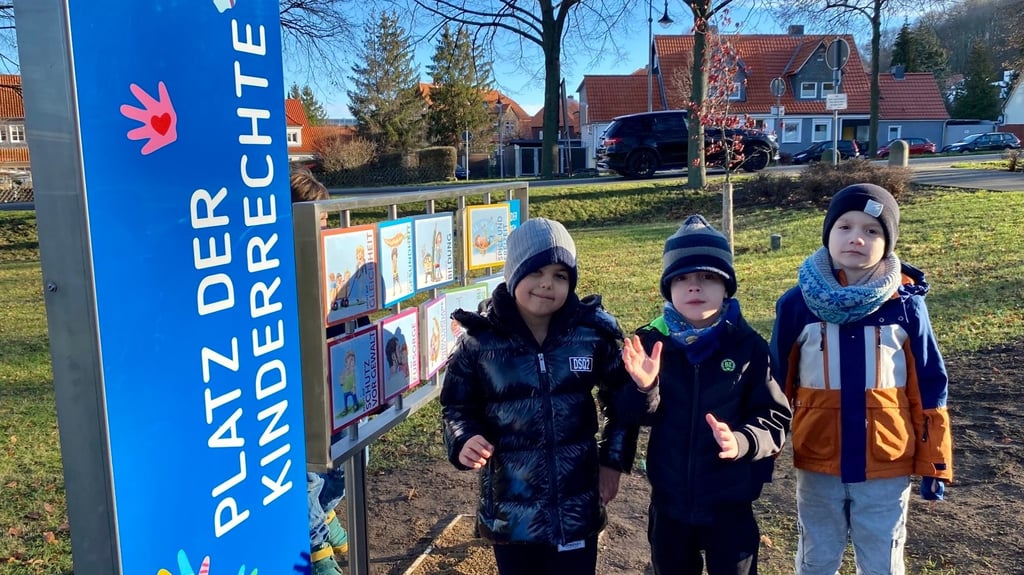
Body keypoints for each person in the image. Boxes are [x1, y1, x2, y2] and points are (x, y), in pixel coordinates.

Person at [770, 184, 953, 575]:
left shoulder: (906, 307)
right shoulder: (796, 305)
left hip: (888, 460)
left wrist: (935, 459)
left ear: (887, 243)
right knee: (816, 557)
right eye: (845, 226)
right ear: (828, 233)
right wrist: (764, 452)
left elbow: (930, 384)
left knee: (882, 560)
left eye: (872, 230)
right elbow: (777, 385)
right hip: (818, 459)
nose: (856, 237)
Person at [440, 217, 636, 575]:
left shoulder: (591, 335)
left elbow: (622, 400)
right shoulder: (479, 343)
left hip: (576, 509)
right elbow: (456, 406)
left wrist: (612, 461)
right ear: (514, 274)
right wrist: (463, 438)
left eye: (560, 275)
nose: (547, 284)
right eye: (536, 271)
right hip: (511, 513)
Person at [613, 214, 791, 575]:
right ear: (668, 288)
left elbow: (774, 418)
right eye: (682, 278)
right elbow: (625, 413)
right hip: (670, 505)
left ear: (727, 286)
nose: (694, 287)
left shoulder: (748, 347)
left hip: (730, 502)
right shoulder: (649, 343)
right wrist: (645, 388)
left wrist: (741, 441)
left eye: (707, 277)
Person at [291, 167, 350, 575]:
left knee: (340, 456)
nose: (325, 230)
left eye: (327, 221)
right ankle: (314, 542)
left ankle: (326, 514)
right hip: (306, 380)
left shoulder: (331, 263)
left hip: (335, 372)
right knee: (312, 466)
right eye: (318, 221)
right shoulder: (283, 270)